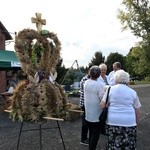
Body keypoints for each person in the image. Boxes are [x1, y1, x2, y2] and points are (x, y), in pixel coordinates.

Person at [100, 70, 141, 150]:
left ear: (116, 79)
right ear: (127, 80)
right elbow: (138, 111)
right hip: (129, 122)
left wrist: (108, 105)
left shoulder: (109, 90)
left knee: (113, 144)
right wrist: (136, 123)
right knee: (128, 145)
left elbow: (102, 106)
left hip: (112, 121)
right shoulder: (133, 92)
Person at [84, 66, 105, 150]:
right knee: (96, 134)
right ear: (99, 75)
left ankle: (90, 147)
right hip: (96, 114)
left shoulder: (86, 83)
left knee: (91, 132)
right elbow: (102, 98)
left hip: (88, 112)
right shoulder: (98, 85)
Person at [79, 72, 90, 146]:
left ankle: (85, 138)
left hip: (86, 103)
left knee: (86, 121)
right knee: (85, 122)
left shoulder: (89, 79)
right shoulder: (85, 79)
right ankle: (83, 139)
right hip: (84, 104)